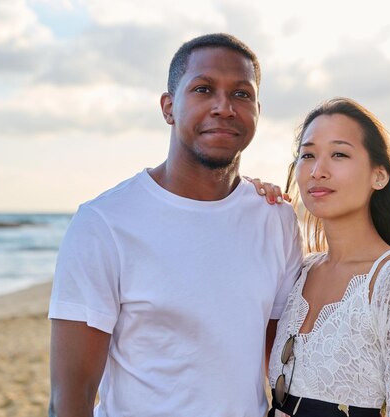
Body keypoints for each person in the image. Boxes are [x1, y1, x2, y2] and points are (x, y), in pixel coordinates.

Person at [48, 33, 303, 417]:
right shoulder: (104, 223)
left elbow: (280, 360)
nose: (224, 107)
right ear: (169, 107)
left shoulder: (277, 218)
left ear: (257, 111)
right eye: (203, 89)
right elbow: (71, 396)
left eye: (241, 94)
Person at [265, 98, 390, 416]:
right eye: (308, 155)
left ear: (379, 176)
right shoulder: (299, 272)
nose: (318, 171)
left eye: (339, 154)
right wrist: (248, 200)